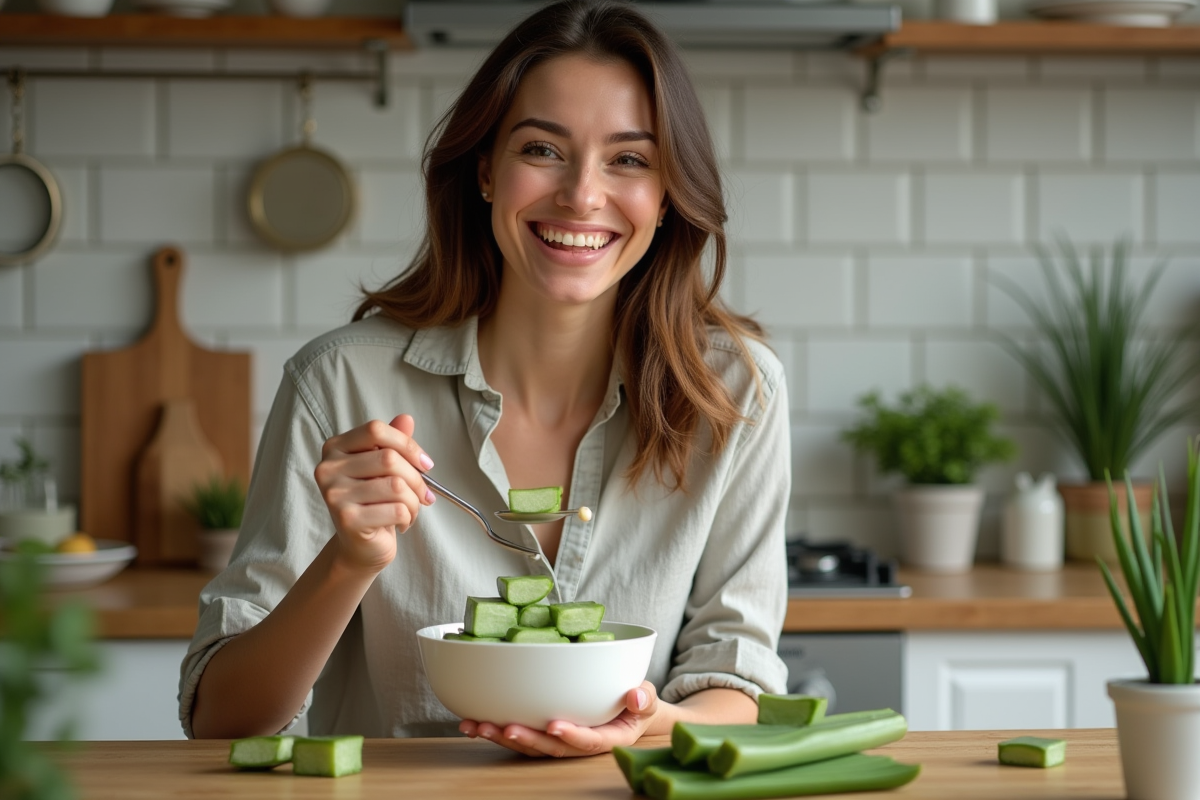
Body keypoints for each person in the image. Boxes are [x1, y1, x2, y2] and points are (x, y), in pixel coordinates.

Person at [180, 0, 791, 758]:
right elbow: (219, 722)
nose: (582, 196)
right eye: (542, 149)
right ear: (485, 172)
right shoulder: (337, 383)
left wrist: (643, 723)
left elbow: (739, 686)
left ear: (667, 197)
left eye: (629, 159)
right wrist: (350, 560)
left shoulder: (735, 392)